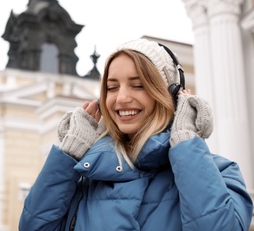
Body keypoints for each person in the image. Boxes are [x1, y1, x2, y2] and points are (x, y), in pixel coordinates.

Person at [19, 38, 253, 230]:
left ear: (171, 95)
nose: (121, 98)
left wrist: (186, 142)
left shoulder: (222, 173)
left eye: (138, 85)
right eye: (111, 88)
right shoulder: (85, 178)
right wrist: (69, 154)